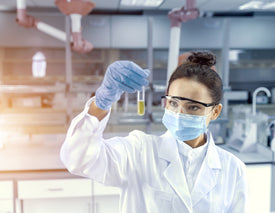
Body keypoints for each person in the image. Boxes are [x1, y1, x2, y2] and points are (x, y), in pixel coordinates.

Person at [60, 51, 248, 213]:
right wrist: (101, 103)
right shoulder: (138, 151)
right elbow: (78, 159)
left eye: (193, 107)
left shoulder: (233, 169)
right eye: (173, 103)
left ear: (215, 112)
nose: (179, 114)